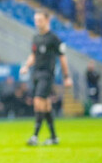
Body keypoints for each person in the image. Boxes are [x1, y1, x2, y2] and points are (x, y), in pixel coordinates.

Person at [20, 10, 73, 146]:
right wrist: (26, 66)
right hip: (36, 73)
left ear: (47, 20)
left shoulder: (54, 39)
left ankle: (35, 136)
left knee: (38, 101)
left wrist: (66, 77)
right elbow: (33, 55)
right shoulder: (36, 38)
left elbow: (62, 58)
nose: (37, 23)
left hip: (47, 74)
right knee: (46, 105)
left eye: (40, 20)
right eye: (36, 20)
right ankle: (54, 137)